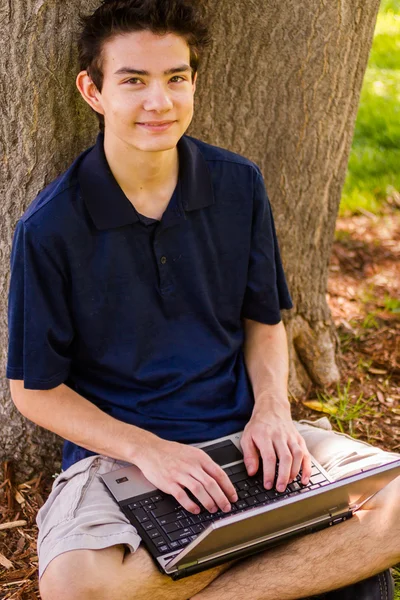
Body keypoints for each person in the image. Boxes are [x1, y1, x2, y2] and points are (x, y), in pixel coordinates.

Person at [6, 1, 399, 598]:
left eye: (175, 78)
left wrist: (271, 412)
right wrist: (151, 451)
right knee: (76, 587)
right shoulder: (52, 226)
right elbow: (33, 391)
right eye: (133, 80)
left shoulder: (239, 185)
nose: (158, 102)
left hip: (247, 437)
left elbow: (264, 322)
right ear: (93, 90)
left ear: (194, 82)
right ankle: (283, 544)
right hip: (122, 458)